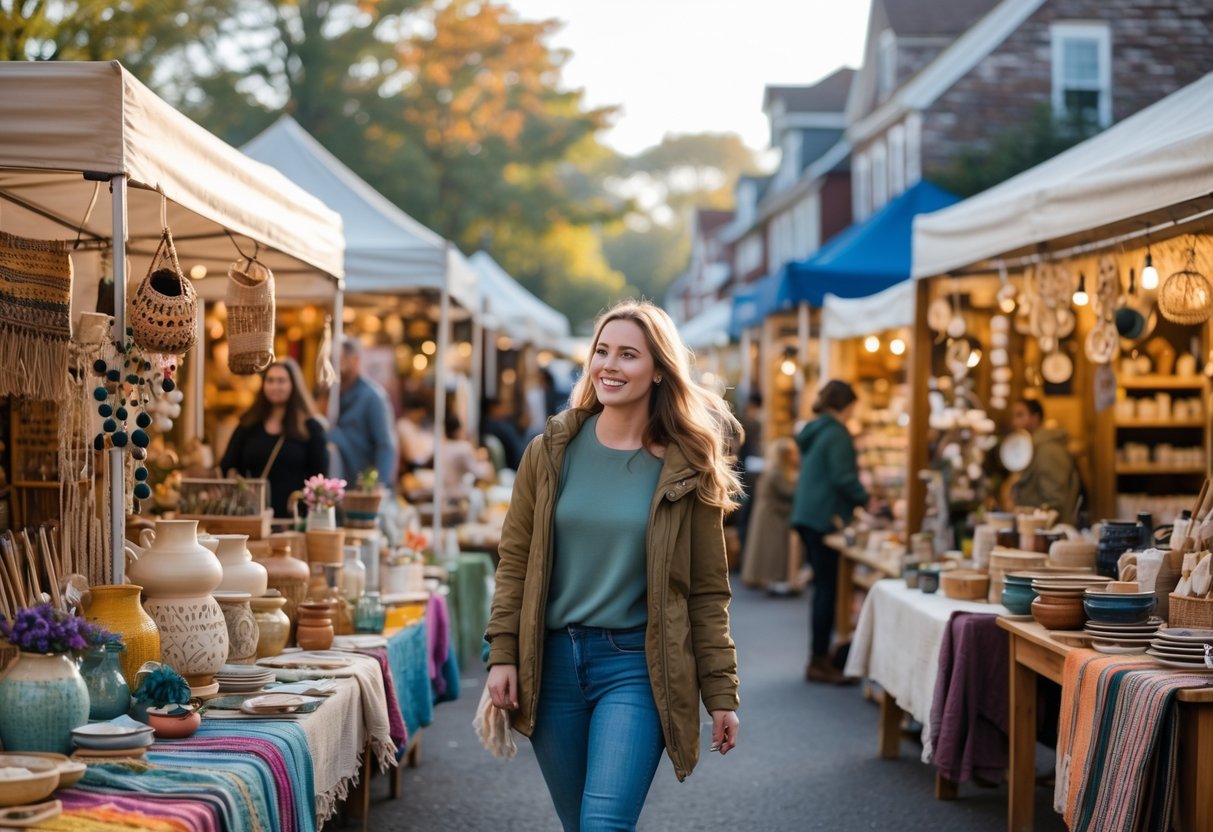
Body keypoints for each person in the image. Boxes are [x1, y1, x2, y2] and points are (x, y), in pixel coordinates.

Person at [485, 299, 741, 831]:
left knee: (604, 825)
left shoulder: (686, 468)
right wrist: (502, 653)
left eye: (628, 355)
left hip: (636, 665)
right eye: (602, 351)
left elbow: (708, 593)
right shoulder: (549, 452)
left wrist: (720, 693)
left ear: (658, 371)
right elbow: (514, 562)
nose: (610, 365)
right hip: (552, 663)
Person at [790, 380, 869, 685]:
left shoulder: (815, 430)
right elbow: (843, 477)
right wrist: (866, 499)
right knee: (827, 589)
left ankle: (821, 656)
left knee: (823, 588)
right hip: (824, 518)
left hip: (809, 515)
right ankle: (820, 660)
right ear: (845, 405)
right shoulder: (836, 433)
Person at [219, 358, 329, 519]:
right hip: (252, 515)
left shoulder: (311, 428)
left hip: (294, 518)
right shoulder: (248, 424)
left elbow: (320, 476)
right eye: (270, 380)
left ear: (294, 385)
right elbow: (227, 465)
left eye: (281, 381)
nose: (275, 386)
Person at [329, 337, 397, 490]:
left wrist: (377, 485)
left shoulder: (372, 397)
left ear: (355, 360)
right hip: (336, 486)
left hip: (359, 487)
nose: (333, 365)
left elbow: (385, 445)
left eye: (338, 359)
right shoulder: (331, 395)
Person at [741, 436, 799, 594]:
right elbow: (789, 493)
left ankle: (772, 580)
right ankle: (774, 581)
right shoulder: (777, 473)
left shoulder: (773, 470)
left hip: (770, 514)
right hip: (772, 516)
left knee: (768, 549)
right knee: (773, 550)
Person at [1009, 398, 1082, 525]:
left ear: (1035, 417)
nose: (1015, 421)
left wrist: (1031, 517)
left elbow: (1055, 501)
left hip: (1047, 531)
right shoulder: (1032, 448)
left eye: (1020, 415)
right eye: (1014, 416)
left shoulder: (1048, 450)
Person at [734, 391, 764, 558]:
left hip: (738, 472)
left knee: (740, 515)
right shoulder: (753, 424)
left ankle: (740, 554)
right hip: (747, 474)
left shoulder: (740, 421)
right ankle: (743, 553)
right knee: (745, 516)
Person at [440, 414, 495, 502]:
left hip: (443, 494)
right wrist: (484, 459)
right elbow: (482, 473)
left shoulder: (443, 446)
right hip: (457, 496)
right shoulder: (462, 447)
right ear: (458, 430)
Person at [481, 396, 526, 471]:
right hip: (513, 466)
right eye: (500, 408)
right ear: (493, 409)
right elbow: (517, 451)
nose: (504, 410)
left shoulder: (487, 426)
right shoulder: (501, 428)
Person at [396, 396, 435, 473]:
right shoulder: (403, 425)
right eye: (420, 414)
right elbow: (412, 456)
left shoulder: (414, 425)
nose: (421, 417)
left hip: (420, 466)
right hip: (412, 468)